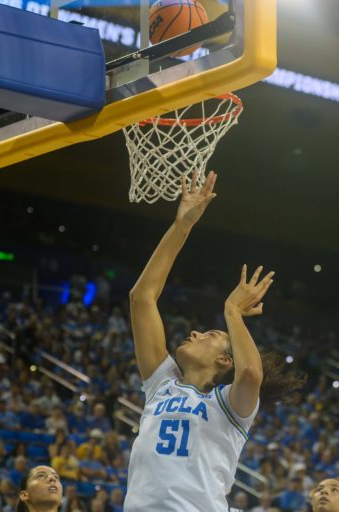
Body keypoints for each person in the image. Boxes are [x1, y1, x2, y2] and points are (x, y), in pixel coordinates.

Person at [123, 172, 303, 511]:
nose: (194, 333)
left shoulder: (230, 405)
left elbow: (251, 374)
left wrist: (232, 311)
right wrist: (182, 227)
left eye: (209, 335)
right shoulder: (162, 384)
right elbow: (141, 298)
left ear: (225, 361)